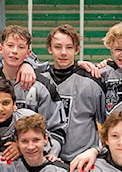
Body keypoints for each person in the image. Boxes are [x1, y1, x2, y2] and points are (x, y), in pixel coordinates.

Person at [0, 26, 65, 154]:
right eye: (10, 45)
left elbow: (56, 130)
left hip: (31, 158)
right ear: (0, 49)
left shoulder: (43, 86)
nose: (14, 51)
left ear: (28, 53)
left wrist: (24, 147)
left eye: (21, 47)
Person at [41, 24, 106, 161]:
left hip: (81, 161)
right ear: (49, 49)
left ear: (77, 49)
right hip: (44, 159)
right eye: (58, 47)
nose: (63, 52)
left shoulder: (92, 82)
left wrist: (97, 150)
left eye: (69, 47)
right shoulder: (39, 80)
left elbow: (107, 125)